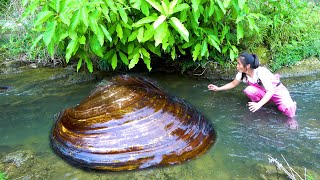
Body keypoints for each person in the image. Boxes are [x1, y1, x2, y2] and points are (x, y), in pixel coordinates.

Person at [208, 52, 297, 118]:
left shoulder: (261, 72)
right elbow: (233, 83)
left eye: (239, 64)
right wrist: (218, 88)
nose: (237, 66)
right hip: (264, 92)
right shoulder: (242, 74)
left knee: (288, 110)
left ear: (247, 66)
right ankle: (265, 105)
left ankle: (291, 118)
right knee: (249, 90)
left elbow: (271, 91)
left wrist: (258, 105)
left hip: (276, 91)